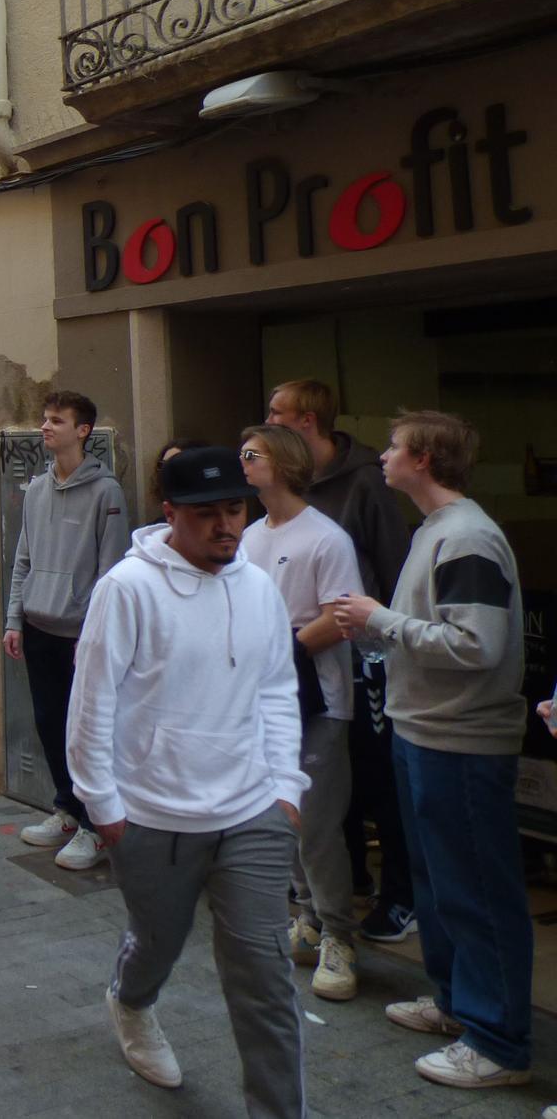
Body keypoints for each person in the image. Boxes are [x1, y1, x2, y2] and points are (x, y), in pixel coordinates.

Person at [68, 447, 307, 1117]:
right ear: (170, 513)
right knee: (158, 943)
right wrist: (106, 810)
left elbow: (277, 691)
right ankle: (131, 1003)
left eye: (235, 509)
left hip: (253, 813)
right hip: (151, 819)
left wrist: (285, 788)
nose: (227, 525)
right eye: (207, 514)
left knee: (266, 980)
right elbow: (92, 705)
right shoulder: (128, 589)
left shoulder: (257, 585)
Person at [334, 411, 531, 1091]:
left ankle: (498, 1042)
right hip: (425, 733)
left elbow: (479, 645)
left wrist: (379, 620)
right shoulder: (435, 532)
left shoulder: (468, 538)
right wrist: (373, 632)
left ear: (422, 458)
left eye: (393, 446)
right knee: (441, 884)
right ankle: (457, 1006)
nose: (383, 456)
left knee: (475, 890)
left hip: (463, 742)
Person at [267, 378, 414, 942]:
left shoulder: (363, 485)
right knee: (327, 794)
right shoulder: (286, 491)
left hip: (363, 659)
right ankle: (347, 885)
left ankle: (401, 896)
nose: (268, 421)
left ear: (307, 422)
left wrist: (384, 638)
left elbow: (394, 567)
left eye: (277, 413)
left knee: (380, 781)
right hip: (307, 670)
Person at [238, 423, 364, 1002]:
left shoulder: (325, 537)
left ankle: (340, 935)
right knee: (278, 814)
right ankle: (306, 916)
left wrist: (281, 650)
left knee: (315, 823)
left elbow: (341, 616)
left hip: (317, 699)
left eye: (253, 453)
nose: (242, 461)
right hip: (262, 695)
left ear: (284, 463)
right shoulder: (249, 535)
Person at [3, 391, 129, 870]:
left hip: (81, 635)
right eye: (44, 419)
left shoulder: (106, 492)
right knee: (48, 722)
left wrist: (94, 634)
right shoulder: (35, 489)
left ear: (83, 431)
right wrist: (14, 620)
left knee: (88, 732)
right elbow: (23, 560)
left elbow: (110, 571)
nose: (45, 427)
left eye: (57, 420)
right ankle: (68, 809)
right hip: (38, 627)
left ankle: (98, 827)